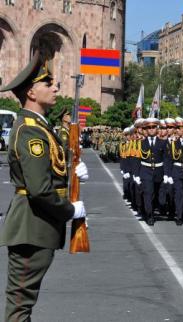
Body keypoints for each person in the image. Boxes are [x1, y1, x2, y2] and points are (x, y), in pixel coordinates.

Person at [0, 51, 88, 321]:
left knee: (24, 300)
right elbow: (39, 188)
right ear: (31, 93)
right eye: (48, 84)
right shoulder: (29, 131)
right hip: (32, 227)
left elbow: (52, 168)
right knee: (20, 304)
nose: (56, 87)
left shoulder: (40, 127)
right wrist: (68, 211)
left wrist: (73, 173)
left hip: (38, 227)